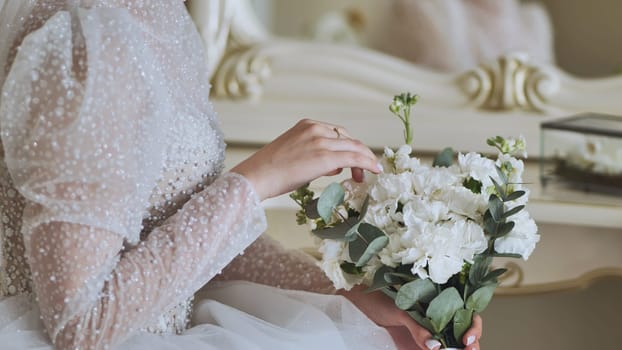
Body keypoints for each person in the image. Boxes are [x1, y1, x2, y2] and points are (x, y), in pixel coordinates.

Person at [0, 1, 482, 349]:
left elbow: (184, 238)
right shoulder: (84, 42)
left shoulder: (166, 17)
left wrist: (351, 296)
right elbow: (82, 324)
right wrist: (255, 182)